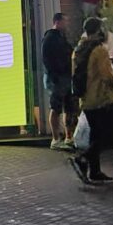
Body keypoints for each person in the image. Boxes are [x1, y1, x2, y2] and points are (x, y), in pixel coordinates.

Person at [70, 18, 113, 185]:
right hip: (100, 97)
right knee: (102, 134)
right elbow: (107, 75)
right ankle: (82, 158)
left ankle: (95, 170)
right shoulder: (99, 50)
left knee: (95, 133)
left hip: (85, 98)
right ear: (99, 30)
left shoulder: (79, 48)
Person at [41, 12, 77, 150]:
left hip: (65, 77)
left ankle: (68, 137)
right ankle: (56, 138)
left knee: (68, 107)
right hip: (57, 78)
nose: (67, 24)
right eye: (65, 21)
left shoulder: (61, 38)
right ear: (57, 22)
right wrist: (54, 75)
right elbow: (47, 58)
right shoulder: (50, 38)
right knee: (56, 107)